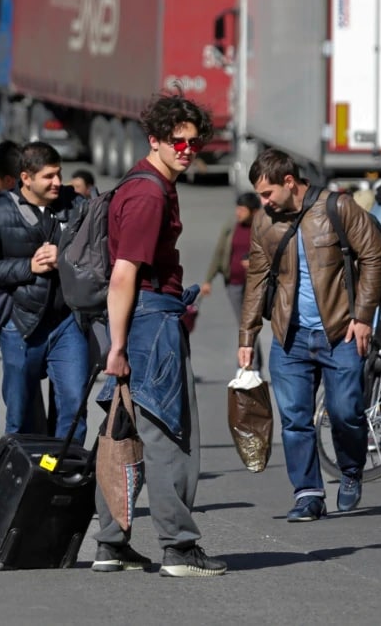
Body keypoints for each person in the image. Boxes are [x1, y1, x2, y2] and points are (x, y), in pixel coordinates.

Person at [91, 93, 226, 577]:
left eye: (194, 142)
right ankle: (179, 548)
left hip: (140, 321)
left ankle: (111, 544)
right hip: (149, 323)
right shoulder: (149, 194)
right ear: (155, 139)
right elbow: (124, 273)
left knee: (122, 434)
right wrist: (119, 348)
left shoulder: (145, 183)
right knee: (170, 437)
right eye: (178, 141)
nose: (187, 149)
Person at [240, 148, 381, 522]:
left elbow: (375, 255)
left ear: (289, 182)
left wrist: (363, 316)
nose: (263, 202)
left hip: (340, 331)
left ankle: (351, 470)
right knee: (294, 418)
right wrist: (246, 337)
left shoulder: (337, 208)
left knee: (345, 413)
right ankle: (308, 493)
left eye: (267, 193)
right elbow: (256, 279)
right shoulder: (264, 222)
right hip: (289, 336)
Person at [0, 142, 88, 442]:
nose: (58, 183)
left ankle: (61, 474)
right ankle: (21, 479)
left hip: (68, 323)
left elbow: (100, 253)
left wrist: (64, 257)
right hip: (20, 325)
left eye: (59, 174)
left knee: (74, 407)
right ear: (26, 178)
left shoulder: (78, 207)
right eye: (48, 176)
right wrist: (28, 267)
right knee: (19, 416)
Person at [201, 192, 262, 370]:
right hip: (233, 284)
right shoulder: (231, 227)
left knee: (249, 324)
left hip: (255, 286)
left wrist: (255, 262)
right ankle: (250, 365)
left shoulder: (262, 229)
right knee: (245, 323)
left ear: (254, 212)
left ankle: (250, 366)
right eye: (238, 209)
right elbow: (219, 253)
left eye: (243, 210)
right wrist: (208, 280)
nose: (238, 213)